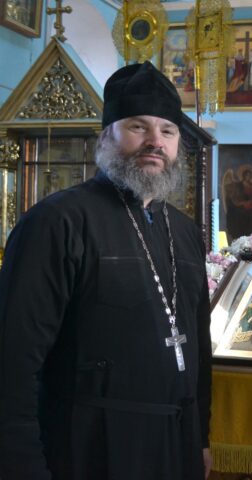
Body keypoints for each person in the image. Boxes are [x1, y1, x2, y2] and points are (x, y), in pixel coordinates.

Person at [0, 61, 213, 480]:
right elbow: (14, 358)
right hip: (91, 446)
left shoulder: (186, 232)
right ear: (106, 137)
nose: (155, 142)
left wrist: (200, 439)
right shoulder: (57, 221)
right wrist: (20, 462)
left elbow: (198, 349)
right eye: (137, 127)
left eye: (167, 131)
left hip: (177, 443)